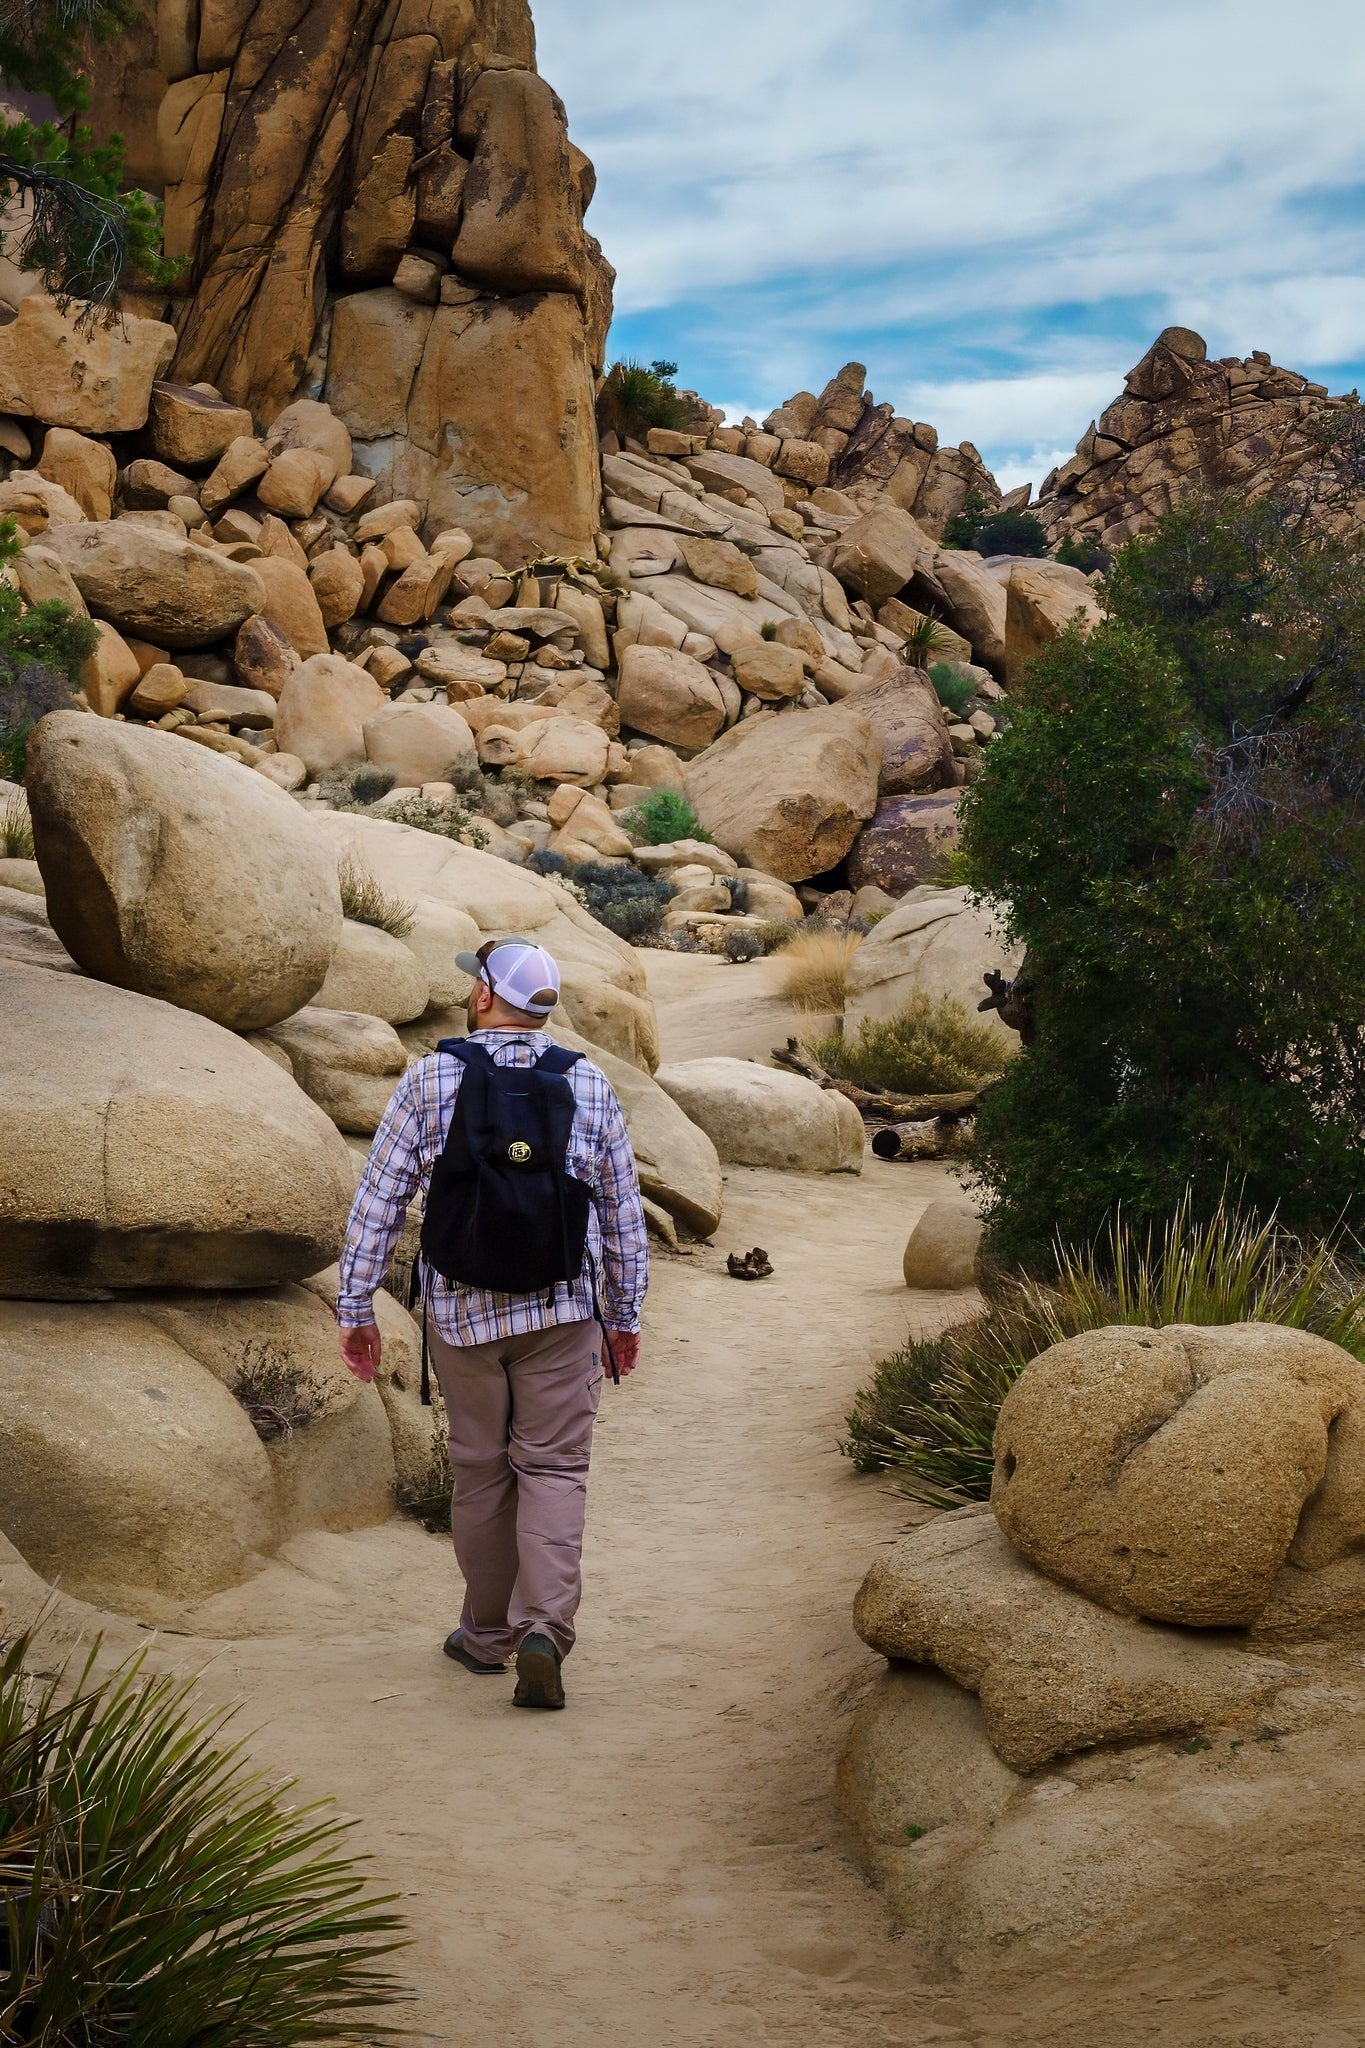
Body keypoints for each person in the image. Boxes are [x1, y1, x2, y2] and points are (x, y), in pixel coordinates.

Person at [336, 936, 648, 1710]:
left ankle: (483, 1637)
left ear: (482, 996)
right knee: (552, 1469)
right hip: (563, 1311)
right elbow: (620, 1216)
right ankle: (541, 1630)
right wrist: (625, 1315)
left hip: (462, 1316)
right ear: (541, 1010)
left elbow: (378, 1202)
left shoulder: (432, 1078)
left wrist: (355, 1306)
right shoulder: (589, 1085)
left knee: (479, 1469)